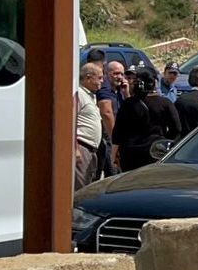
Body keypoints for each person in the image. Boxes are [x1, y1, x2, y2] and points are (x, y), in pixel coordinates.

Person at [112, 68, 180, 172]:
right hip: (156, 152)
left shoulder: (128, 104)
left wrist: (114, 155)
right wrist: (164, 142)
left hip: (131, 155)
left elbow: (118, 133)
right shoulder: (165, 103)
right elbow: (177, 129)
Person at [74, 62, 105, 191]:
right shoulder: (79, 94)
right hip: (82, 147)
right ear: (88, 78)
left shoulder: (90, 95)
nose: (102, 81)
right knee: (80, 189)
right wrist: (75, 149)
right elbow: (71, 121)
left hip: (91, 149)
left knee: (88, 186)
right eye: (99, 78)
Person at [95, 59, 124, 177]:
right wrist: (115, 140)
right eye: (116, 73)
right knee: (112, 174)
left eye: (122, 74)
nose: (120, 77)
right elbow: (106, 112)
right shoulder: (105, 89)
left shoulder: (117, 91)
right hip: (109, 140)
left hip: (114, 139)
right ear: (106, 74)